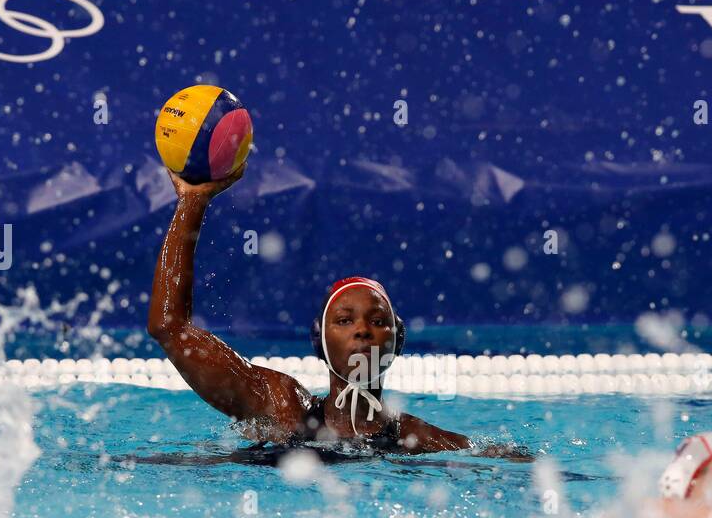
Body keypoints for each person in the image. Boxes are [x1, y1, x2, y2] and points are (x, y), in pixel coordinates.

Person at [148, 166, 528, 457]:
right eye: (345, 320)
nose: (362, 331)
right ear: (320, 340)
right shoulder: (280, 406)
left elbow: (515, 464)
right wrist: (192, 202)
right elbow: (169, 326)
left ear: (397, 341)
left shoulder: (418, 439)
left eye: (377, 322)